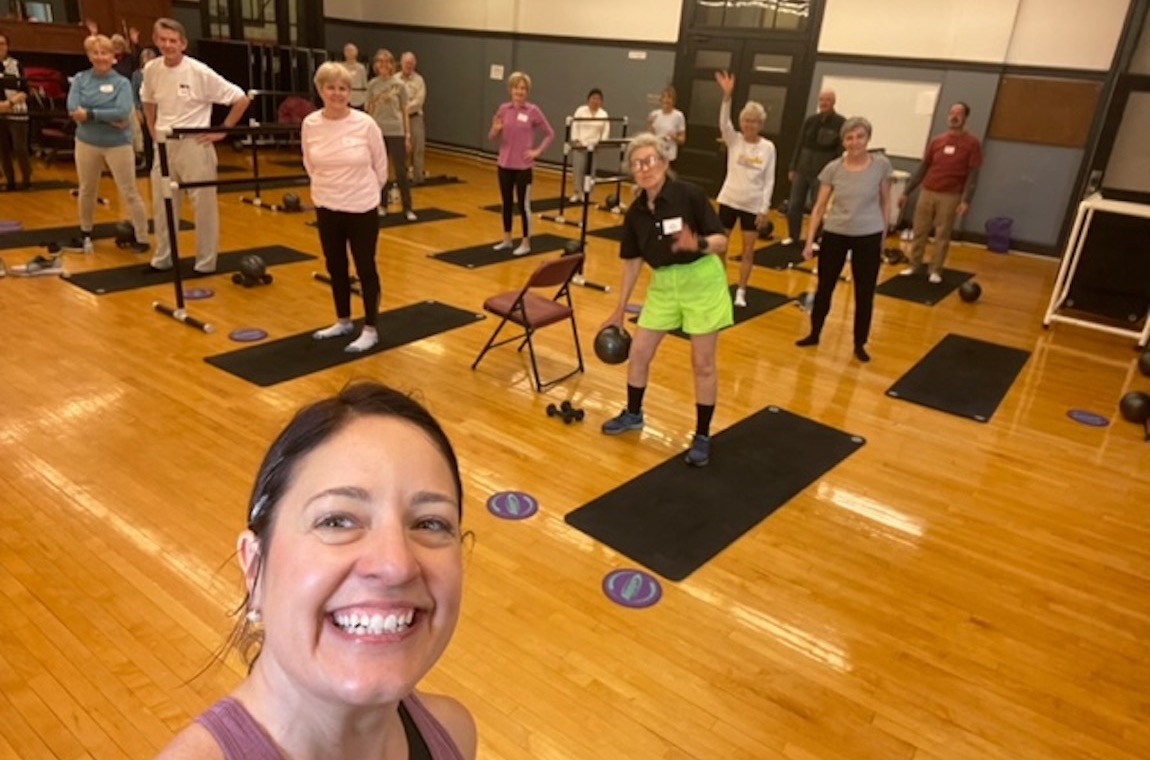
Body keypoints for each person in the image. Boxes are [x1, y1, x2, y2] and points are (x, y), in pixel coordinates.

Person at [154, 382, 478, 760]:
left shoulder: (453, 734)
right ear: (255, 567)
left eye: (430, 524)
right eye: (337, 521)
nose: (396, 565)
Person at [599, 133, 730, 467]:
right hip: (663, 284)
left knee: (702, 363)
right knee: (639, 352)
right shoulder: (636, 213)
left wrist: (696, 243)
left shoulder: (690, 195)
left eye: (651, 160)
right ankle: (633, 414)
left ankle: (702, 435)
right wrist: (618, 310)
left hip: (702, 279)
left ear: (665, 162)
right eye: (638, 163)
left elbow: (721, 241)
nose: (645, 168)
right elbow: (632, 263)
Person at [141, 17, 250, 275]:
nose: (168, 45)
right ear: (156, 41)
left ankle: (205, 262)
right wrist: (152, 128)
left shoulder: (199, 72)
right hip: (164, 144)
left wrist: (222, 130)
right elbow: (147, 100)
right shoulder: (152, 69)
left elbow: (240, 98)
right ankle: (164, 257)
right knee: (163, 203)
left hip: (195, 144)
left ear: (183, 44)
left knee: (203, 206)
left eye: (173, 41)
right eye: (163, 40)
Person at [303, 62, 389, 354]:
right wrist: (330, 189)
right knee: (335, 265)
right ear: (320, 90)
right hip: (327, 204)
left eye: (343, 88)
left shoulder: (365, 124)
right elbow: (309, 163)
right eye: (331, 88)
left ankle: (370, 328)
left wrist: (362, 193)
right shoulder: (310, 124)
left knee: (365, 267)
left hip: (361, 206)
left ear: (350, 92)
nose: (337, 93)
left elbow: (381, 167)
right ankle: (342, 320)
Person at [796, 117, 891, 363]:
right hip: (836, 233)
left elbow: (885, 202)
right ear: (843, 141)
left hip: (868, 235)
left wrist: (883, 236)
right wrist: (809, 241)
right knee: (825, 287)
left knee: (864, 292)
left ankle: (860, 343)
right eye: (849, 138)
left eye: (859, 137)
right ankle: (815, 332)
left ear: (867, 138)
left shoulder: (880, 166)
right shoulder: (833, 168)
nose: (854, 142)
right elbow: (819, 207)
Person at [64, 34, 149, 255]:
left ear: (113, 57)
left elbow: (122, 111)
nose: (100, 57)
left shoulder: (122, 82)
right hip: (87, 143)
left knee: (129, 191)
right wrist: (108, 116)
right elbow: (74, 109)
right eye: (96, 53)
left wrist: (90, 113)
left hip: (118, 145)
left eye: (105, 53)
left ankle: (142, 236)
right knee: (87, 189)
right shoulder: (81, 79)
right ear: (90, 56)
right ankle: (85, 233)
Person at [899, 101, 983, 283]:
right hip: (928, 190)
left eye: (958, 113)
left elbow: (973, 174)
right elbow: (924, 167)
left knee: (942, 234)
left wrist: (966, 200)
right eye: (952, 112)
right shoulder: (937, 141)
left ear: (965, 118)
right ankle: (914, 265)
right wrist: (906, 191)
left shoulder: (972, 143)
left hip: (951, 195)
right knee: (919, 230)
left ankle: (935, 269)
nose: (954, 116)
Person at [714, 71, 775, 308]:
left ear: (760, 124)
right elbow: (723, 123)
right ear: (742, 123)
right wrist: (726, 97)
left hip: (752, 204)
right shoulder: (734, 140)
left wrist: (764, 209)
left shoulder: (768, 147)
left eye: (754, 121)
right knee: (721, 245)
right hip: (729, 199)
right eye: (746, 120)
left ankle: (741, 291)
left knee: (748, 250)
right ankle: (719, 285)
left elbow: (769, 180)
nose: (750, 125)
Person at [488, 71, 553, 256]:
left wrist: (537, 151)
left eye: (523, 88)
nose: (519, 91)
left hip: (523, 166)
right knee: (506, 203)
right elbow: (492, 136)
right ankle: (507, 239)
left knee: (523, 205)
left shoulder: (533, 111)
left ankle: (526, 242)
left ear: (528, 91)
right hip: (504, 164)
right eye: (517, 87)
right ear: (511, 89)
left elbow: (550, 133)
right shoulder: (503, 109)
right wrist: (496, 129)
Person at [783, 89, 845, 248]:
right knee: (794, 205)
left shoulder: (841, 123)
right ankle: (793, 236)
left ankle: (816, 238)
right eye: (821, 100)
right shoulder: (810, 121)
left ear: (833, 102)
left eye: (827, 100)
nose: (823, 103)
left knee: (818, 207)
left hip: (822, 173)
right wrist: (793, 166)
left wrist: (835, 174)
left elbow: (840, 151)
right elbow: (799, 144)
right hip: (802, 169)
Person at [365, 49, 416, 222]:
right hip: (378, 132)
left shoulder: (399, 85)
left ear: (392, 64)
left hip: (396, 131)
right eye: (380, 61)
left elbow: (404, 111)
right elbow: (369, 109)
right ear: (375, 65)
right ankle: (382, 204)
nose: (383, 65)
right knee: (380, 171)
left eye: (387, 62)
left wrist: (407, 135)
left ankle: (408, 207)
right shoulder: (372, 84)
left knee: (401, 171)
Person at [0, 32, 32, 192]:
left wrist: (10, 102)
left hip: (17, 111)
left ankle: (27, 179)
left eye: (2, 44)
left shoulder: (16, 65)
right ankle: (10, 181)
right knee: (3, 150)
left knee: (20, 148)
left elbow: (25, 90)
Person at [569, 88, 608, 204]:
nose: (595, 101)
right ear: (588, 99)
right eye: (593, 98)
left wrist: (600, 144)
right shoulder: (581, 111)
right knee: (578, 170)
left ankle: (588, 194)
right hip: (580, 145)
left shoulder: (603, 114)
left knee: (591, 172)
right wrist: (576, 140)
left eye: (598, 99)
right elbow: (575, 125)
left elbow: (605, 131)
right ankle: (577, 192)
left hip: (594, 147)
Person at [398, 52, 426, 183]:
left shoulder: (419, 80)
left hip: (415, 118)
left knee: (418, 149)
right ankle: (402, 178)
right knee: (401, 150)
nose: (408, 65)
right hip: (398, 120)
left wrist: (404, 108)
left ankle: (418, 178)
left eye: (411, 63)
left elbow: (419, 101)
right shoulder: (395, 79)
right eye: (406, 63)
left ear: (414, 65)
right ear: (401, 63)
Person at [647, 85, 686, 169]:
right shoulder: (655, 114)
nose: (666, 100)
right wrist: (650, 124)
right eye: (664, 97)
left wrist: (675, 137)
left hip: (669, 154)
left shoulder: (678, 116)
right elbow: (650, 136)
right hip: (656, 153)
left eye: (669, 98)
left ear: (674, 101)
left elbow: (682, 139)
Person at [132, 48, 157, 171]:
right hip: (143, 111)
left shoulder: (159, 74)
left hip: (158, 111)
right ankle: (147, 162)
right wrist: (137, 110)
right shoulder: (137, 75)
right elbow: (134, 94)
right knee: (146, 138)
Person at [341, 43, 368, 110]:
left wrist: (365, 98)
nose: (349, 53)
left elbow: (365, 84)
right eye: (347, 51)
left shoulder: (361, 67)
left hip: (358, 98)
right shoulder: (341, 67)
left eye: (351, 50)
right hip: (345, 97)